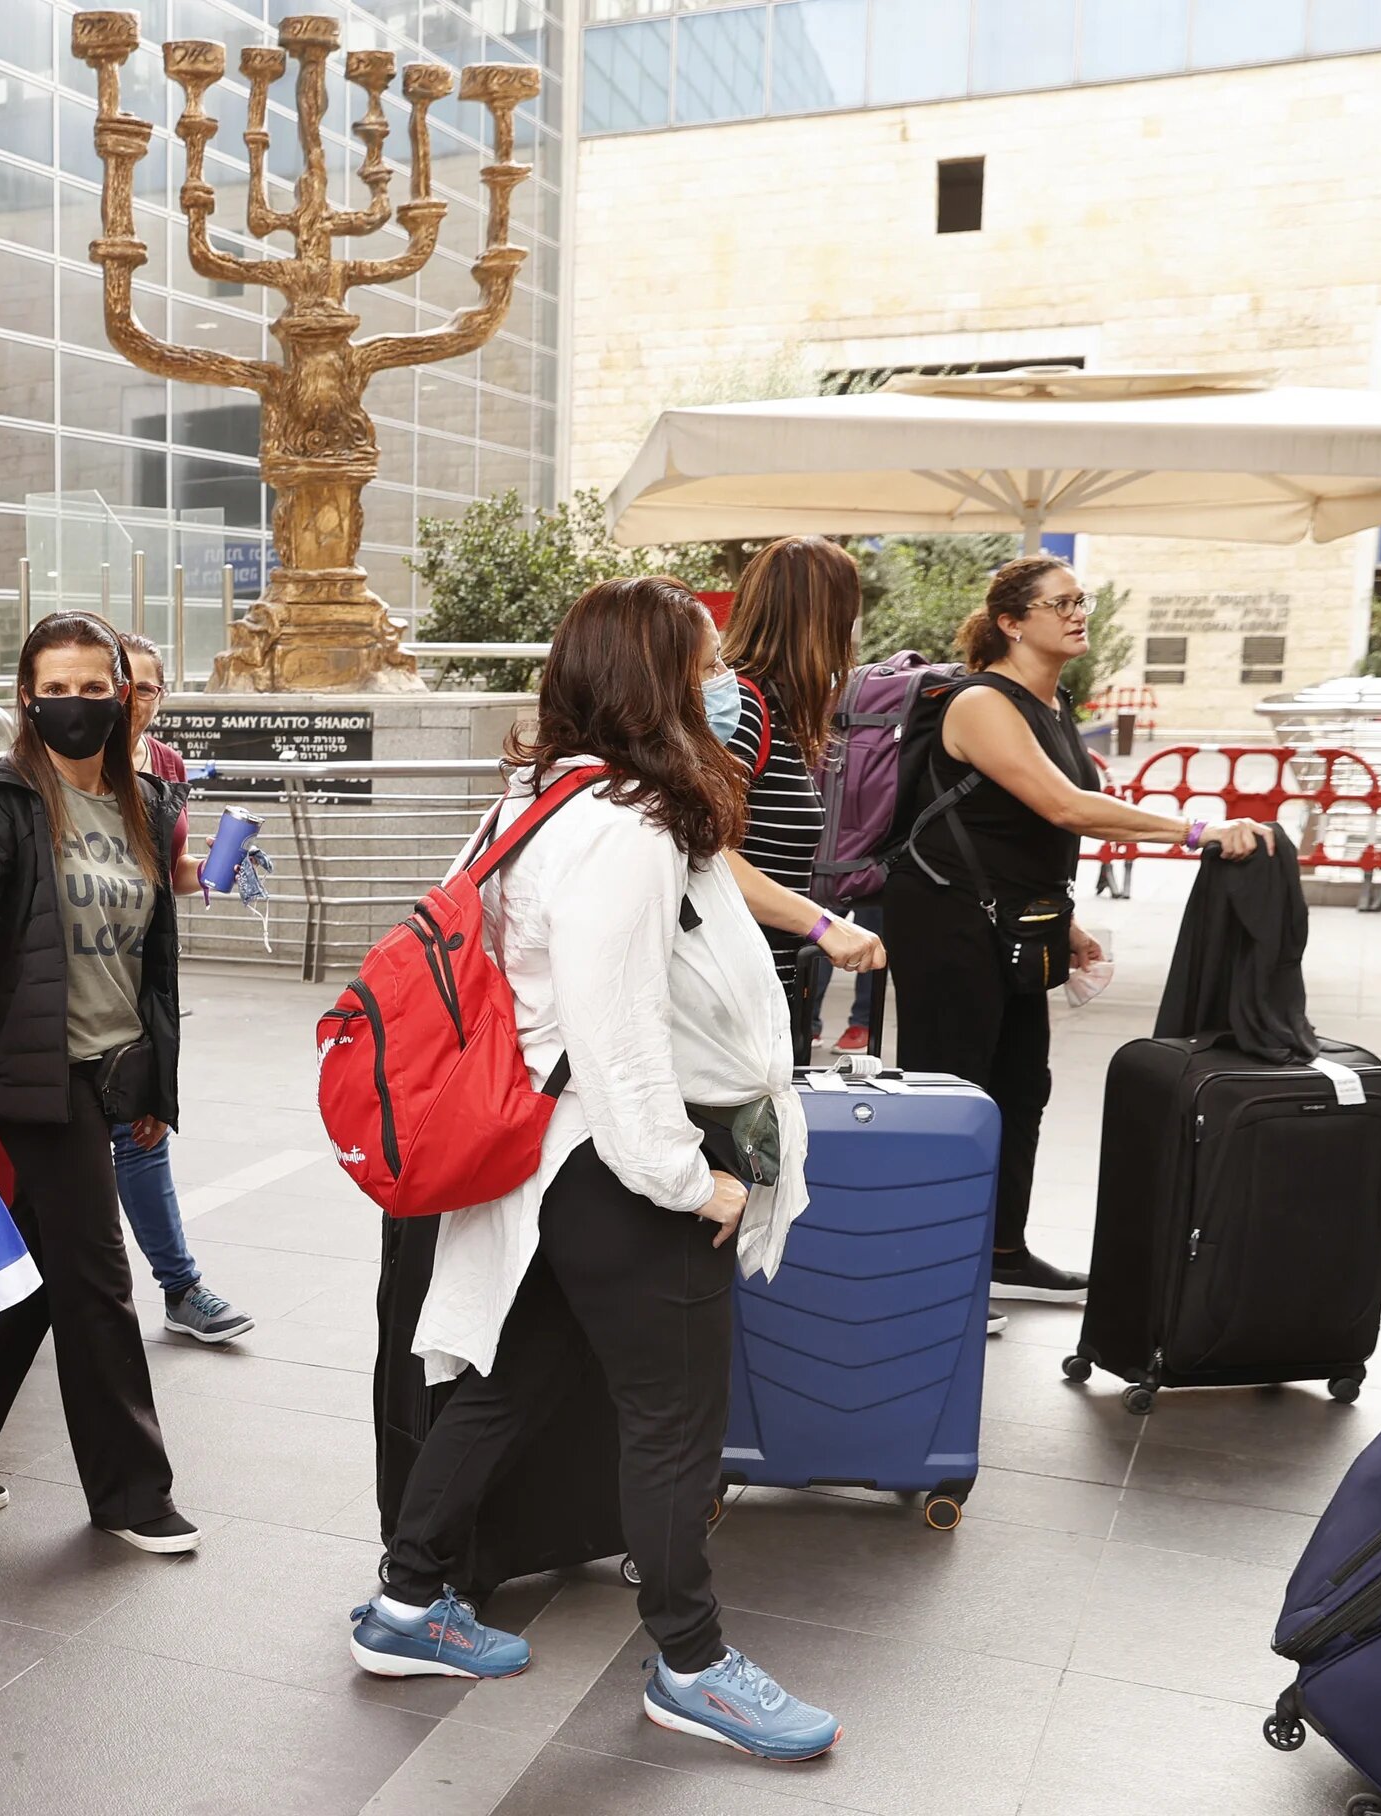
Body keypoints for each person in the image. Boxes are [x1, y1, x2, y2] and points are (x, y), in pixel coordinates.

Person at [347, 576, 843, 1763]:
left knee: (508, 1379)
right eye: (706, 661)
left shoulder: (534, 795)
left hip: (542, 1160)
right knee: (672, 1420)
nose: (725, 685)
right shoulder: (623, 829)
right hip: (609, 1162)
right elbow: (614, 1036)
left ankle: (406, 1603)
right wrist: (690, 1180)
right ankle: (690, 1662)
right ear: (657, 680)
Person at [887, 557, 1268, 1305]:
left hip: (1017, 918)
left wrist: (1067, 923)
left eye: (1080, 600)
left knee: (1022, 1086)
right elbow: (1064, 808)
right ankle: (928, 1272)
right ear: (1010, 622)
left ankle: (1002, 1251)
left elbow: (1016, 830)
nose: (1077, 613)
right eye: (1059, 603)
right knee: (952, 1090)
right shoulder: (980, 703)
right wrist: (1198, 828)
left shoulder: (1053, 702)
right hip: (945, 917)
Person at [0, 612, 200, 1557]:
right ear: (26, 699)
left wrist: (155, 1086)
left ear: (123, 694)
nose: (73, 707)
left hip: (116, 1065)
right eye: (55, 690)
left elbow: (152, 962)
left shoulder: (150, 803)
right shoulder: (1, 798)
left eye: (93, 689)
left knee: (40, 1272)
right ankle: (131, 1493)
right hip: (38, 1070)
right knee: (97, 1279)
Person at [102, 631, 252, 1342]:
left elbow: (176, 868)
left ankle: (179, 1289)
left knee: (143, 1127)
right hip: (74, 969)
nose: (137, 699)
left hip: (142, 970)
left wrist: (227, 868)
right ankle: (174, 1286)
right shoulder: (63, 759)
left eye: (151, 687)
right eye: (122, 684)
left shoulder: (165, 762)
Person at [712, 537, 885, 1060]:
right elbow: (704, 852)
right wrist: (820, 923)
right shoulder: (743, 703)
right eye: (847, 613)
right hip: (730, 999)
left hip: (764, 986)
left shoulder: (776, 708)